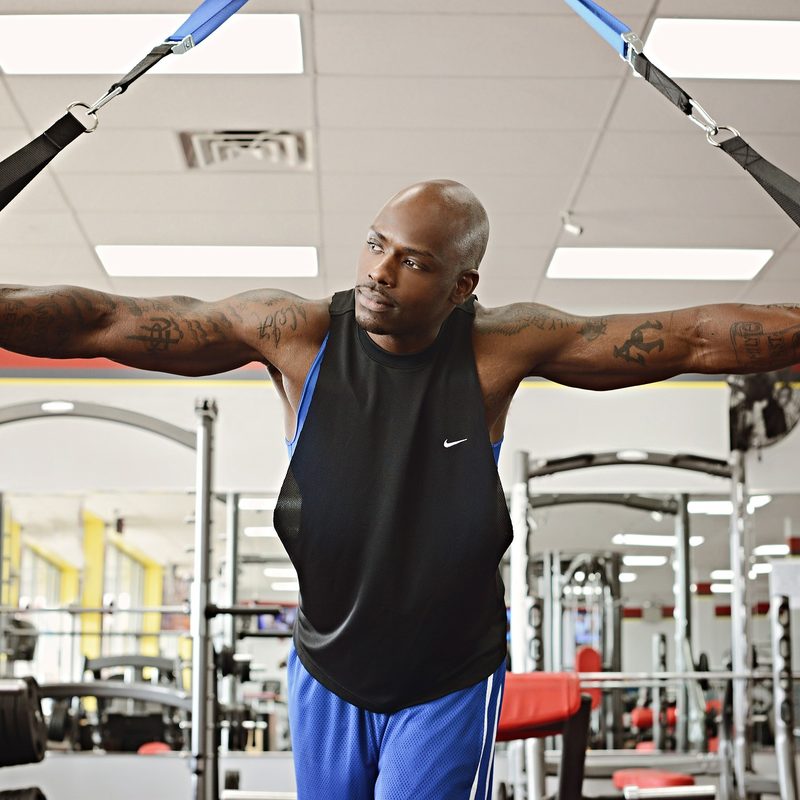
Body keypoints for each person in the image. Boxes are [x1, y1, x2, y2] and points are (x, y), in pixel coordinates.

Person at [2, 178, 799, 798]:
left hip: (447, 678)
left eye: (413, 261)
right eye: (376, 245)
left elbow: (692, 339)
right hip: (326, 669)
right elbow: (104, 321)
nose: (379, 272)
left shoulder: (499, 348)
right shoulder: (298, 334)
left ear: (462, 286)